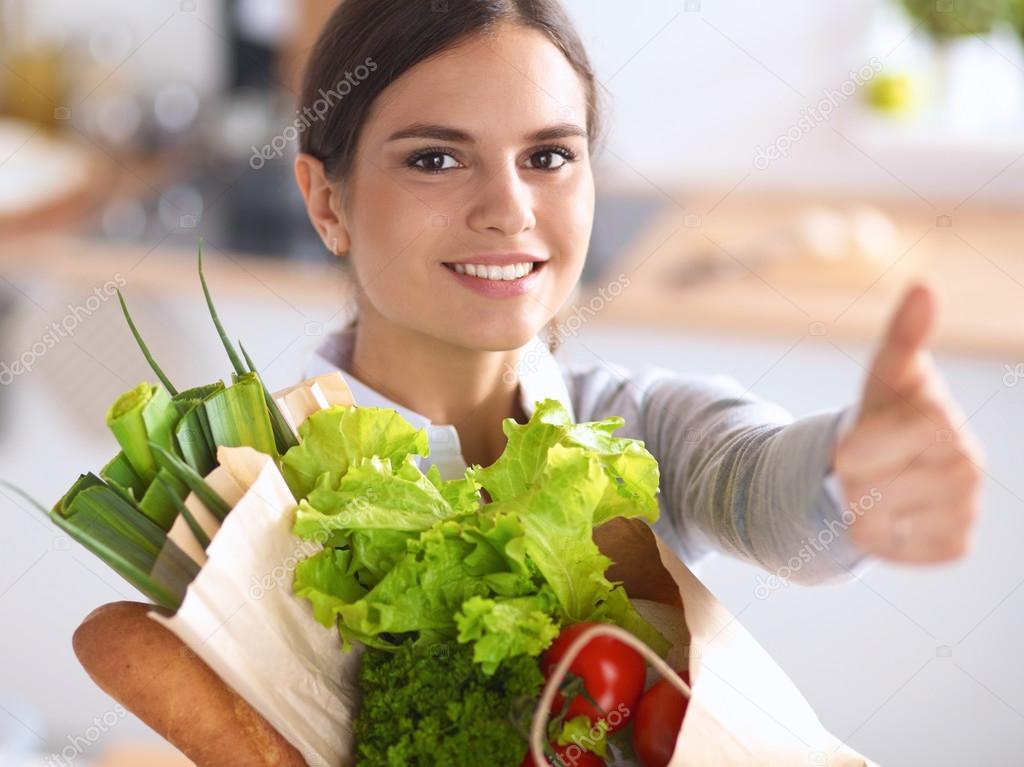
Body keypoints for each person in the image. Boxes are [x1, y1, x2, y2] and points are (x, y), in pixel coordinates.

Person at [74, 1, 985, 763]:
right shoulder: (244, 504)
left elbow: (755, 485)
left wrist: (851, 477)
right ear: (325, 201)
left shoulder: (631, 426)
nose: (508, 210)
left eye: (549, 156)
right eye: (435, 157)